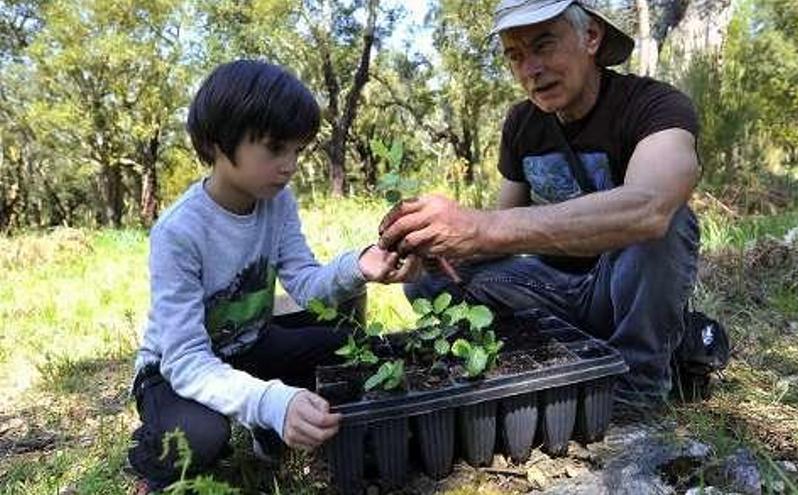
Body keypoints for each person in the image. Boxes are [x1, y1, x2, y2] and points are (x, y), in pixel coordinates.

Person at [379, 0, 700, 409]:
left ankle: (634, 391)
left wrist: (480, 227)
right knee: (431, 273)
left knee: (670, 223)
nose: (530, 69)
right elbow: (500, 234)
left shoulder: (654, 105)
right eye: (515, 56)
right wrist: (432, 240)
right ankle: (514, 368)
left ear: (591, 37)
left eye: (543, 46)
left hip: (623, 294)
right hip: (549, 290)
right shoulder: (522, 123)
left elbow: (650, 207)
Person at [128, 60, 419, 493]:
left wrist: (360, 266)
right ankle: (150, 453)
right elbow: (185, 359)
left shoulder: (277, 202)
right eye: (274, 148)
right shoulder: (179, 232)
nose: (289, 166)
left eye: (297, 151)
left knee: (348, 348)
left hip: (250, 344)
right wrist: (270, 400)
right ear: (217, 143)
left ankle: (273, 430)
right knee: (202, 435)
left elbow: (303, 281)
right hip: (172, 371)